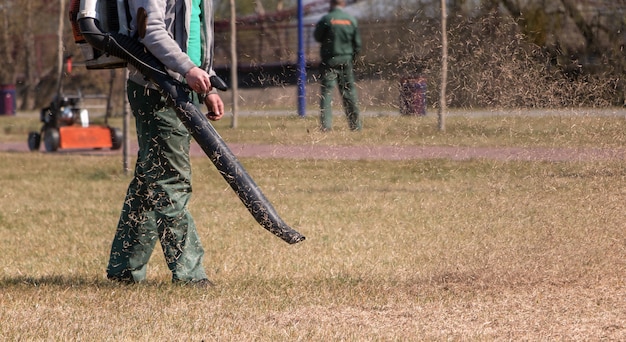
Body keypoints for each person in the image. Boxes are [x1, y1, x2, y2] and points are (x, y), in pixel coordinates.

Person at [106, 0, 225, 287]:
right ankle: (190, 275)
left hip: (183, 87)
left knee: (149, 181)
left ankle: (125, 268)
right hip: (156, 89)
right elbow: (151, 31)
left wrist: (205, 79)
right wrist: (187, 69)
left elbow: (196, 30)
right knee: (171, 180)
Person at [314, 0, 362, 131]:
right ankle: (356, 126)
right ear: (343, 4)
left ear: (331, 4)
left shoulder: (327, 19)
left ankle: (326, 126)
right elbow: (357, 44)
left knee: (327, 93)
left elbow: (317, 36)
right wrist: (352, 58)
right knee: (349, 93)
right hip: (346, 60)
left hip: (329, 61)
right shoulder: (351, 20)